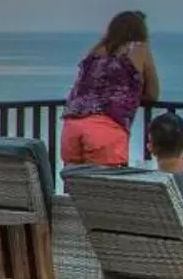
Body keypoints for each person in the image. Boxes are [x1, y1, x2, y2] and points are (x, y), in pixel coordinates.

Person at [60, 10, 160, 168]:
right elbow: (153, 93)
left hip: (72, 125)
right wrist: (131, 95)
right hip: (105, 128)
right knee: (106, 189)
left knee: (75, 186)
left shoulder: (96, 51)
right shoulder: (139, 49)